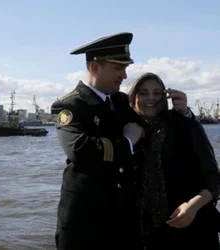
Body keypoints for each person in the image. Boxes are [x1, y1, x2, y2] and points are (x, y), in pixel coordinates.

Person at [51, 32, 192, 250]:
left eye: (125, 68)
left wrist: (184, 114)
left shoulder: (119, 102)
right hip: (85, 220)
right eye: (118, 68)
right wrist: (127, 141)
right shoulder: (70, 106)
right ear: (95, 67)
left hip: (124, 218)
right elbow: (81, 151)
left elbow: (150, 127)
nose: (125, 75)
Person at [128, 72, 220, 250]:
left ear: (165, 96)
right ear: (133, 97)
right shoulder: (127, 130)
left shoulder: (185, 125)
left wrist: (192, 206)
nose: (151, 98)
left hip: (192, 226)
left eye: (157, 93)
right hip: (146, 234)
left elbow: (214, 178)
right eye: (144, 93)